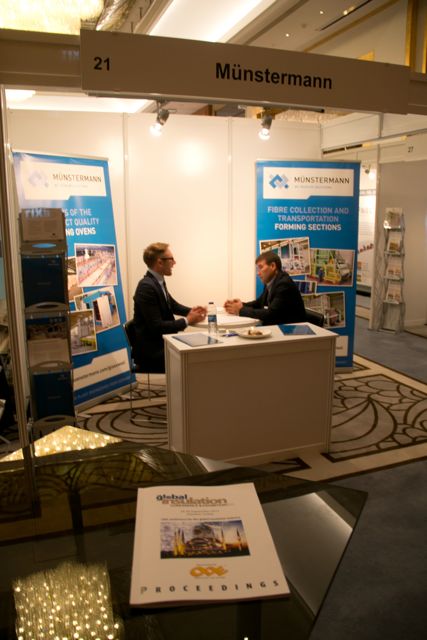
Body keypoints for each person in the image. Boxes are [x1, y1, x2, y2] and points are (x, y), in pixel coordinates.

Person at [133, 243, 206, 373]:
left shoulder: (157, 281)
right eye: (171, 259)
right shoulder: (146, 287)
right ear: (160, 262)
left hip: (160, 343)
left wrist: (193, 311)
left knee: (201, 348)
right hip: (152, 351)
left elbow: (172, 305)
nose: (174, 262)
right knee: (199, 356)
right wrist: (188, 320)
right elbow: (157, 327)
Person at [224, 250, 306, 325]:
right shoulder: (271, 282)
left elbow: (271, 314)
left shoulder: (284, 284)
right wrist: (240, 305)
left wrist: (240, 310)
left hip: (292, 332)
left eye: (260, 267)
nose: (258, 273)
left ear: (273, 266)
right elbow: (259, 303)